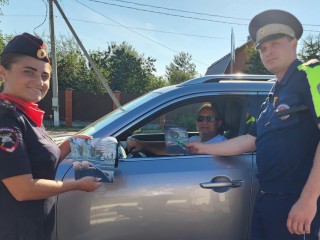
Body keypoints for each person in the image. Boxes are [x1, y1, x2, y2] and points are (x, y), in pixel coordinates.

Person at [187, 9, 320, 240]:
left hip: (296, 202)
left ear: (294, 43)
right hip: (267, 199)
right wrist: (203, 148)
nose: (267, 52)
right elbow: (250, 140)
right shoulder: (273, 94)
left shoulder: (311, 74)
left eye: (275, 44)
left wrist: (308, 201)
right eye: (262, 48)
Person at [0, 33, 101, 240]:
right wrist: (77, 185)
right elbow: (23, 189)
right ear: (3, 73)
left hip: (36, 227)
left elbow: (42, 162)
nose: (39, 82)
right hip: (15, 231)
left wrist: (70, 144)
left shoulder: (25, 115)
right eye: (29, 72)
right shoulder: (6, 121)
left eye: (45, 76)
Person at [126, 103, 227, 155]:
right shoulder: (195, 139)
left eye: (210, 118)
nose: (204, 122)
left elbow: (172, 150)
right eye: (200, 118)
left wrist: (143, 145)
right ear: (196, 122)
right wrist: (142, 144)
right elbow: (169, 148)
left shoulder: (221, 144)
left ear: (219, 123)